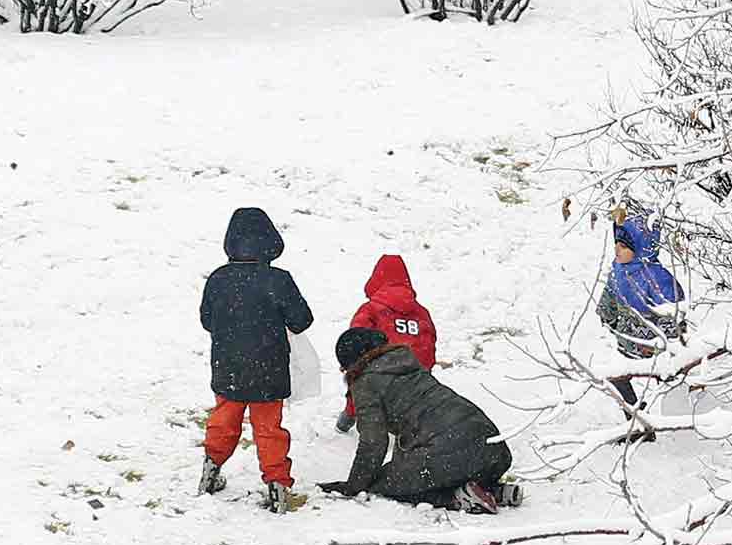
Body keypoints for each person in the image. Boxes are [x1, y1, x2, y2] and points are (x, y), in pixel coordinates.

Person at [197, 205, 315, 513]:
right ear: (271, 242)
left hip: (228, 366)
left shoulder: (218, 279)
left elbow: (207, 320)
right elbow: (302, 320)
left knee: (224, 420)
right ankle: (277, 486)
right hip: (270, 367)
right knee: (269, 429)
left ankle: (211, 469)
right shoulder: (279, 280)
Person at [328, 325, 516, 513]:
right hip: (495, 450)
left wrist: (353, 486)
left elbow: (373, 442)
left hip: (455, 454)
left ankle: (458, 498)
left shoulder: (366, 381)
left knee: (383, 482)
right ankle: (493, 491)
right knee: (446, 467)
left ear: (352, 364)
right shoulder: (407, 364)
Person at [338, 252, 442, 431]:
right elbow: (429, 343)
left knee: (361, 380)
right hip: (415, 374)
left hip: (380, 372)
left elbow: (355, 342)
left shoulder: (370, 309)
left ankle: (348, 417)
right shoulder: (422, 312)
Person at [600, 214, 688, 414]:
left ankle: (680, 413)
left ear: (640, 247)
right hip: (628, 343)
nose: (617, 250)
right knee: (617, 378)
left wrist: (666, 342)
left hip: (655, 348)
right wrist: (610, 320)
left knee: (669, 378)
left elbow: (673, 315)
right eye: (616, 245)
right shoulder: (617, 272)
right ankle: (636, 416)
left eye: (623, 246)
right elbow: (609, 300)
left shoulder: (658, 279)